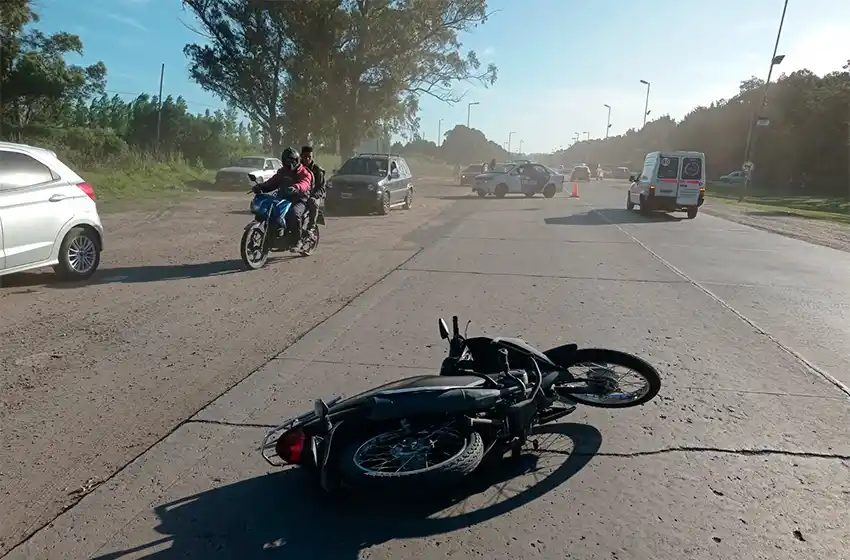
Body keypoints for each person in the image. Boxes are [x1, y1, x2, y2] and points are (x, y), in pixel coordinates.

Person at [252, 147, 313, 252]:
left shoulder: (303, 172)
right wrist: (261, 187)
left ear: (297, 161)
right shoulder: (282, 172)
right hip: (284, 197)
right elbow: (272, 182)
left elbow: (305, 183)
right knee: (271, 211)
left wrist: (296, 187)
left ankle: (297, 241)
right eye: (286, 161)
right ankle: (274, 235)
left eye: (291, 161)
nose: (289, 164)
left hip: (300, 199)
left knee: (294, 213)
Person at [300, 146, 325, 237]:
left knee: (313, 202)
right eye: (305, 156)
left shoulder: (318, 170)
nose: (307, 159)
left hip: (314, 195)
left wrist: (315, 196)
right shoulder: (297, 168)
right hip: (301, 196)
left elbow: (322, 188)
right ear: (301, 156)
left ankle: (311, 227)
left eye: (309, 157)